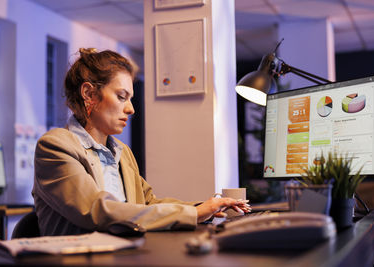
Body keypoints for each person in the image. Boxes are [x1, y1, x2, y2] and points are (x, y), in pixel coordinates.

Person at [32, 48, 250, 236]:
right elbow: (97, 210)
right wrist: (193, 214)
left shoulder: (121, 152)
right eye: (121, 96)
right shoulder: (55, 146)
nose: (131, 109)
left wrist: (203, 208)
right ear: (89, 93)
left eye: (130, 98)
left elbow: (147, 204)